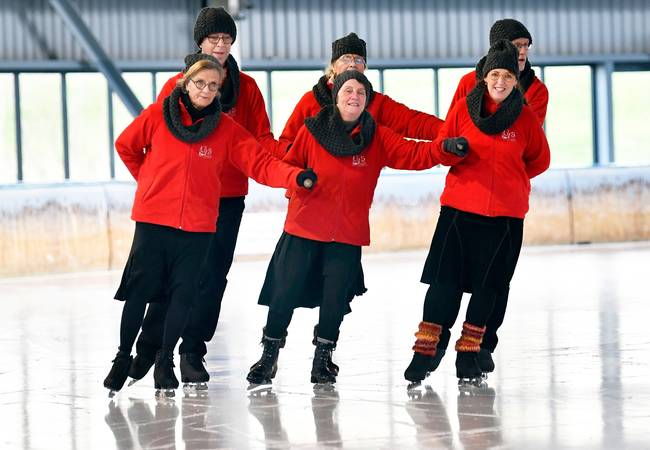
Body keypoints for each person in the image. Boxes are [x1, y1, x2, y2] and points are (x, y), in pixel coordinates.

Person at [102, 58, 315, 397]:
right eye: (200, 83)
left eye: (213, 86)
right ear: (186, 83)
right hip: (154, 221)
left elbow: (260, 163)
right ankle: (122, 357)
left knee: (182, 296)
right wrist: (149, 183)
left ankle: (164, 362)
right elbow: (125, 146)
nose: (205, 90)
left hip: (198, 227)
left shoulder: (225, 130)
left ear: (219, 91)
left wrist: (295, 177)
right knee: (140, 293)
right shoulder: (158, 115)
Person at [246, 71, 466, 388]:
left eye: (361, 92)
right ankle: (269, 354)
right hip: (303, 229)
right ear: (336, 97)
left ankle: (323, 357)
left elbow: (414, 152)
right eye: (349, 90)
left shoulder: (377, 136)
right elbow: (290, 165)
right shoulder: (312, 131)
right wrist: (299, 183)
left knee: (334, 299)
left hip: (346, 234)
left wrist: (445, 148)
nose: (355, 96)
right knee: (284, 293)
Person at [128, 6, 285, 389]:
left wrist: (289, 168)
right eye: (213, 38)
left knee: (212, 277)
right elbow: (152, 141)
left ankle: (192, 350)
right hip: (181, 203)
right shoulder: (177, 86)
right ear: (199, 42)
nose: (220, 45)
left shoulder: (246, 88)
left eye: (226, 39)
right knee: (171, 278)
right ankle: (151, 348)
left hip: (227, 199)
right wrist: (154, 186)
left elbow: (261, 139)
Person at [277, 32, 447, 374]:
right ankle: (271, 354)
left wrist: (454, 132)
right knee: (290, 285)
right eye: (346, 60)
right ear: (332, 67)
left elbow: (414, 122)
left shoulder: (375, 103)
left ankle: (324, 350)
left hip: (348, 215)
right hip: (309, 211)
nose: (353, 66)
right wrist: (297, 182)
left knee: (337, 288)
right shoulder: (310, 103)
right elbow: (286, 144)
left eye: (359, 62)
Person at [403, 40, 550, 385]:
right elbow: (440, 147)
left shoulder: (526, 118)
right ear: (483, 77)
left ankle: (469, 354)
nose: (500, 81)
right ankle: (425, 351)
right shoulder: (462, 110)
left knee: (489, 288)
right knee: (443, 283)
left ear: (516, 80)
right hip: (459, 211)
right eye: (494, 74)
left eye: (508, 76)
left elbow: (539, 160)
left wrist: (509, 182)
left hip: (505, 218)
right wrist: (450, 150)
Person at [448, 18, 548, 124]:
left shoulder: (537, 90)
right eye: (517, 46)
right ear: (498, 48)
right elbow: (451, 127)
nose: (523, 51)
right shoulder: (468, 82)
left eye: (526, 45)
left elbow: (530, 133)